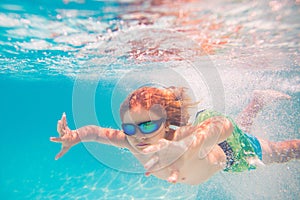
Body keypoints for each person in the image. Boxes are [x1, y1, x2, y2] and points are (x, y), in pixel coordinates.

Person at [50, 86, 300, 185]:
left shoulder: (180, 137)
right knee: (245, 129)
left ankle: (257, 103)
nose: (138, 135)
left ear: (167, 123)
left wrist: (189, 146)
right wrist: (75, 136)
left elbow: (224, 124)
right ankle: (257, 101)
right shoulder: (131, 141)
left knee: (283, 152)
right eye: (130, 128)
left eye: (147, 126)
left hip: (229, 150)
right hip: (215, 140)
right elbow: (95, 132)